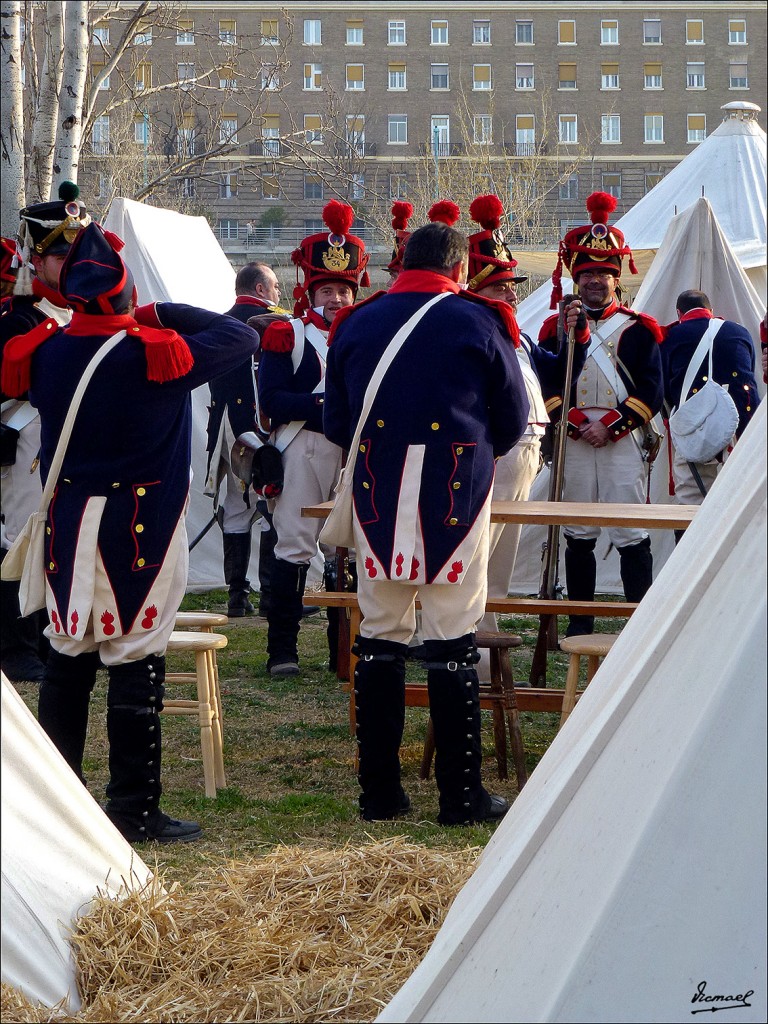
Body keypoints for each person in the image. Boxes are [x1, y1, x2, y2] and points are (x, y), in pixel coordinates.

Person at [0, 223, 258, 843]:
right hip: (138, 528)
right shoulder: (153, 351)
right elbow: (240, 332)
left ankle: (60, 805)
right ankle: (134, 807)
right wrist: (159, 311)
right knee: (134, 656)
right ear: (123, 290)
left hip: (70, 524)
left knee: (68, 656)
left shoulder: (51, 353)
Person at [324, 220, 530, 826]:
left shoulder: (356, 322)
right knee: (452, 636)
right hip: (455, 492)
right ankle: (460, 796)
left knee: (381, 633)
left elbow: (338, 422)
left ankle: (380, 792)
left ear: (401, 262)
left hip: (378, 489)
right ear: (461, 268)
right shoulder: (479, 321)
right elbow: (513, 419)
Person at [464, 195, 590, 675]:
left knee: (504, 556)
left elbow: (556, 375)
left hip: (528, 452)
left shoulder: (519, 335)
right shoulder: (477, 333)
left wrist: (572, 335)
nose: (514, 294)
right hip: (495, 454)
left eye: (512, 286)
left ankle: (489, 640)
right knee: (483, 552)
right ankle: (474, 648)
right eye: (502, 287)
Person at [540, 192, 664, 637]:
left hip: (620, 442)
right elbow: (548, 384)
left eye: (604, 274)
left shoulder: (639, 328)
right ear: (577, 278)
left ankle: (639, 626)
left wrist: (608, 426)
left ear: (618, 280)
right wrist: (574, 422)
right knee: (578, 533)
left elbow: (653, 391)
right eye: (588, 273)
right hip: (573, 439)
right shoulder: (556, 328)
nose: (596, 281)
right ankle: (580, 625)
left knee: (630, 531)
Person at [257, 200, 370, 677]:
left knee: (351, 548)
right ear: (310, 290)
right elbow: (273, 401)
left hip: (352, 450)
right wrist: (328, 407)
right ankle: (282, 649)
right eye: (327, 290)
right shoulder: (288, 334)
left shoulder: (367, 335)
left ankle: (342, 651)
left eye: (342, 291)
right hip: (305, 448)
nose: (335, 300)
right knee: (295, 546)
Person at [1, 183, 91, 684]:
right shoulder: (17, 317)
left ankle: (46, 636)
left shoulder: (73, 314)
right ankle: (14, 645)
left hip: (61, 439)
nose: (70, 263)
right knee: (18, 538)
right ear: (36, 259)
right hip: (21, 443)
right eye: (60, 254)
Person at [204, 261, 291, 618]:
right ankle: (271, 594)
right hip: (260, 426)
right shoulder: (277, 322)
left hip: (224, 426)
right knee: (271, 505)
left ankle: (237, 595)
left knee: (237, 505)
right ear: (259, 289)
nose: (277, 294)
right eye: (273, 287)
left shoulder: (216, 323)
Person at [661, 289, 760, 505]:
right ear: (711, 311)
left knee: (690, 500)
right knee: (737, 498)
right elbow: (749, 374)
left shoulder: (669, 337)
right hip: (739, 425)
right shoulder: (739, 332)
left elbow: (665, 390)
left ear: (679, 313)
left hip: (693, 425)